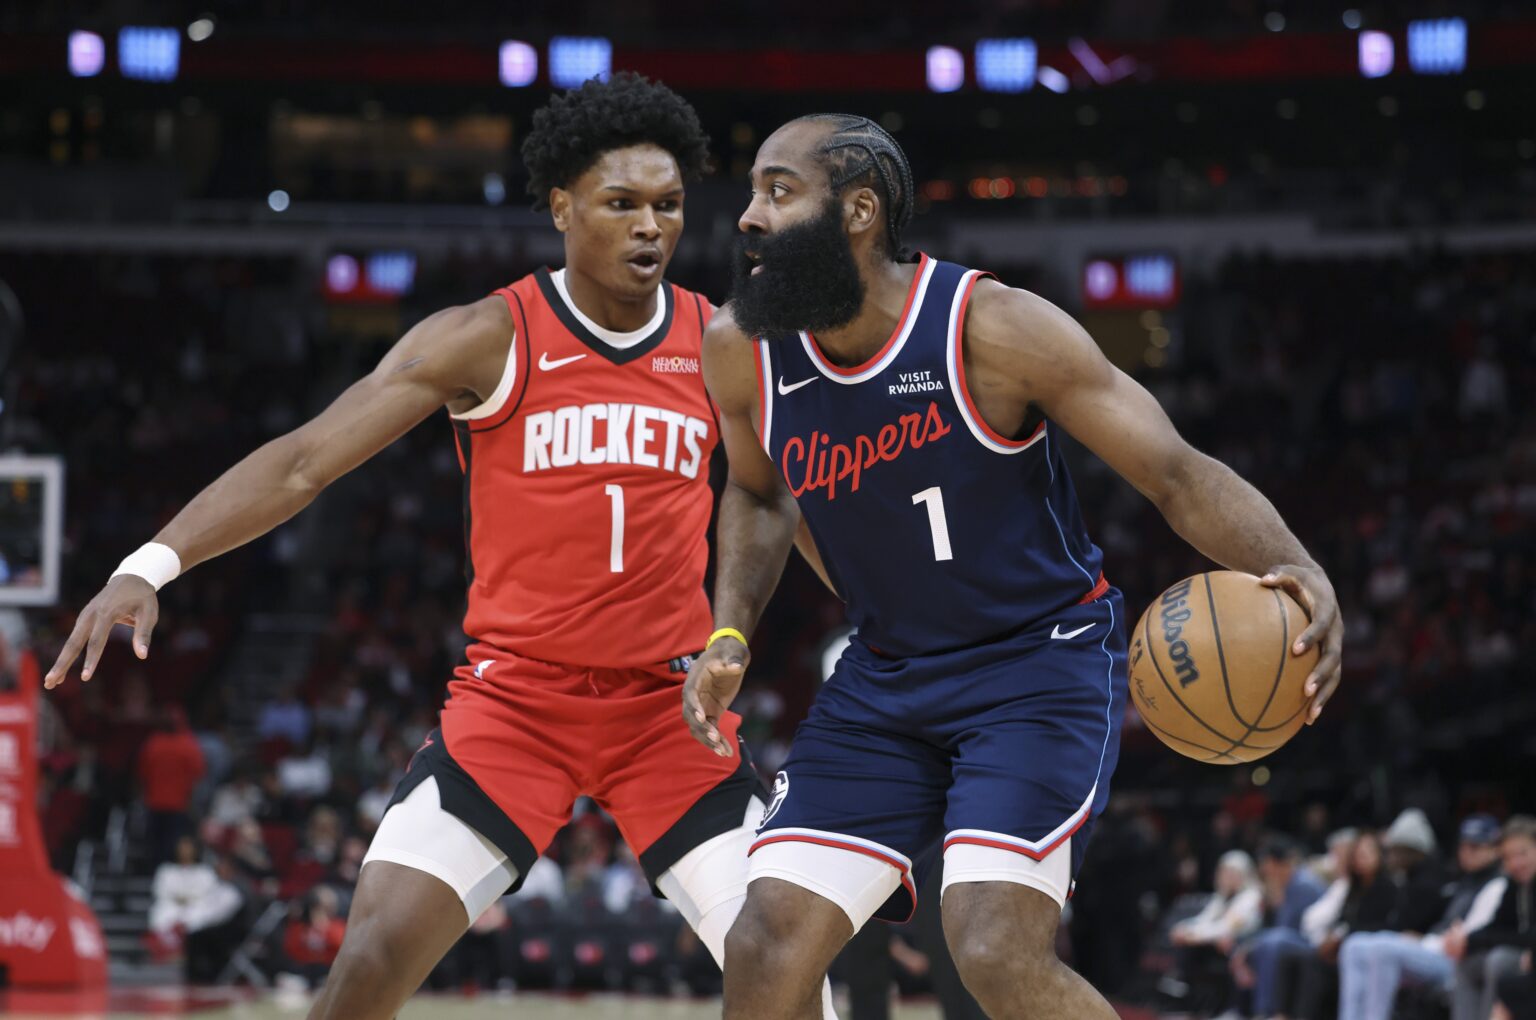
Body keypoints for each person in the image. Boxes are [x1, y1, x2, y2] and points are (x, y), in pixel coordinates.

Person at [45, 74, 831, 1020]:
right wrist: (151, 562)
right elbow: (303, 464)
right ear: (561, 207)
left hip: (670, 710)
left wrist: (868, 617)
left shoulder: (721, 340)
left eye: (666, 205)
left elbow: (775, 494)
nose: (650, 228)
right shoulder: (487, 338)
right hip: (519, 705)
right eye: (621, 204)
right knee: (369, 962)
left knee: (786, 972)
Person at [683, 112, 1344, 1018]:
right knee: (763, 945)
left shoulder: (990, 327)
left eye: (780, 190)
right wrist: (729, 629)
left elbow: (1174, 472)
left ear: (860, 212)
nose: (749, 216)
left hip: (1036, 666)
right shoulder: (741, 349)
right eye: (753, 191)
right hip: (889, 675)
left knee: (993, 949)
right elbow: (759, 496)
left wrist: (1296, 563)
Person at [1337, 814, 1505, 1020]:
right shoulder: (1463, 881)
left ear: (1495, 848)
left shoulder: (1497, 883)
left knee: (1382, 949)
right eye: (1464, 846)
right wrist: (1424, 938)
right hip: (1433, 944)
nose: (1467, 852)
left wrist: (1430, 940)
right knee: (1353, 945)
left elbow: (1470, 933)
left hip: (1453, 955)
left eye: (1476, 847)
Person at [1448, 815, 1536, 1020]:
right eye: (1508, 857)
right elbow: (1499, 925)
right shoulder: (1515, 885)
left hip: (1529, 959)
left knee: (1499, 960)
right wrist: (1467, 941)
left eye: (1522, 853)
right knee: (1466, 961)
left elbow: (1529, 937)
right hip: (1524, 956)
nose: (1516, 863)